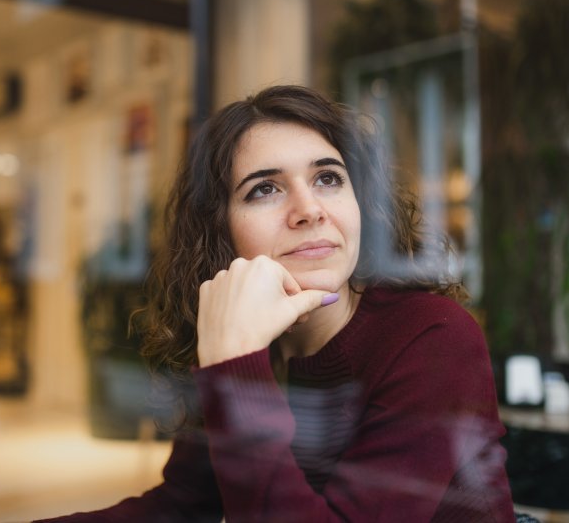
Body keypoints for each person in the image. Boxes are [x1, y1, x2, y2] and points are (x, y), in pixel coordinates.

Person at [35, 85, 515, 522]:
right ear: (220, 230)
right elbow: (180, 509)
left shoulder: (432, 336)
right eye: (265, 189)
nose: (309, 210)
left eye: (328, 178)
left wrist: (235, 365)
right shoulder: (248, 335)